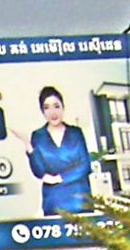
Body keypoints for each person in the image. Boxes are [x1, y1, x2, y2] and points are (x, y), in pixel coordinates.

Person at [13, 86, 92, 216]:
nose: (52, 112)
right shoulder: (38, 136)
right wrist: (28, 145)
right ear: (42, 111)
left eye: (56, 106)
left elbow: (85, 166)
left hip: (79, 201)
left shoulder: (76, 133)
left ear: (63, 107)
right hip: (54, 202)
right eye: (47, 107)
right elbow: (39, 172)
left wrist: (60, 179)